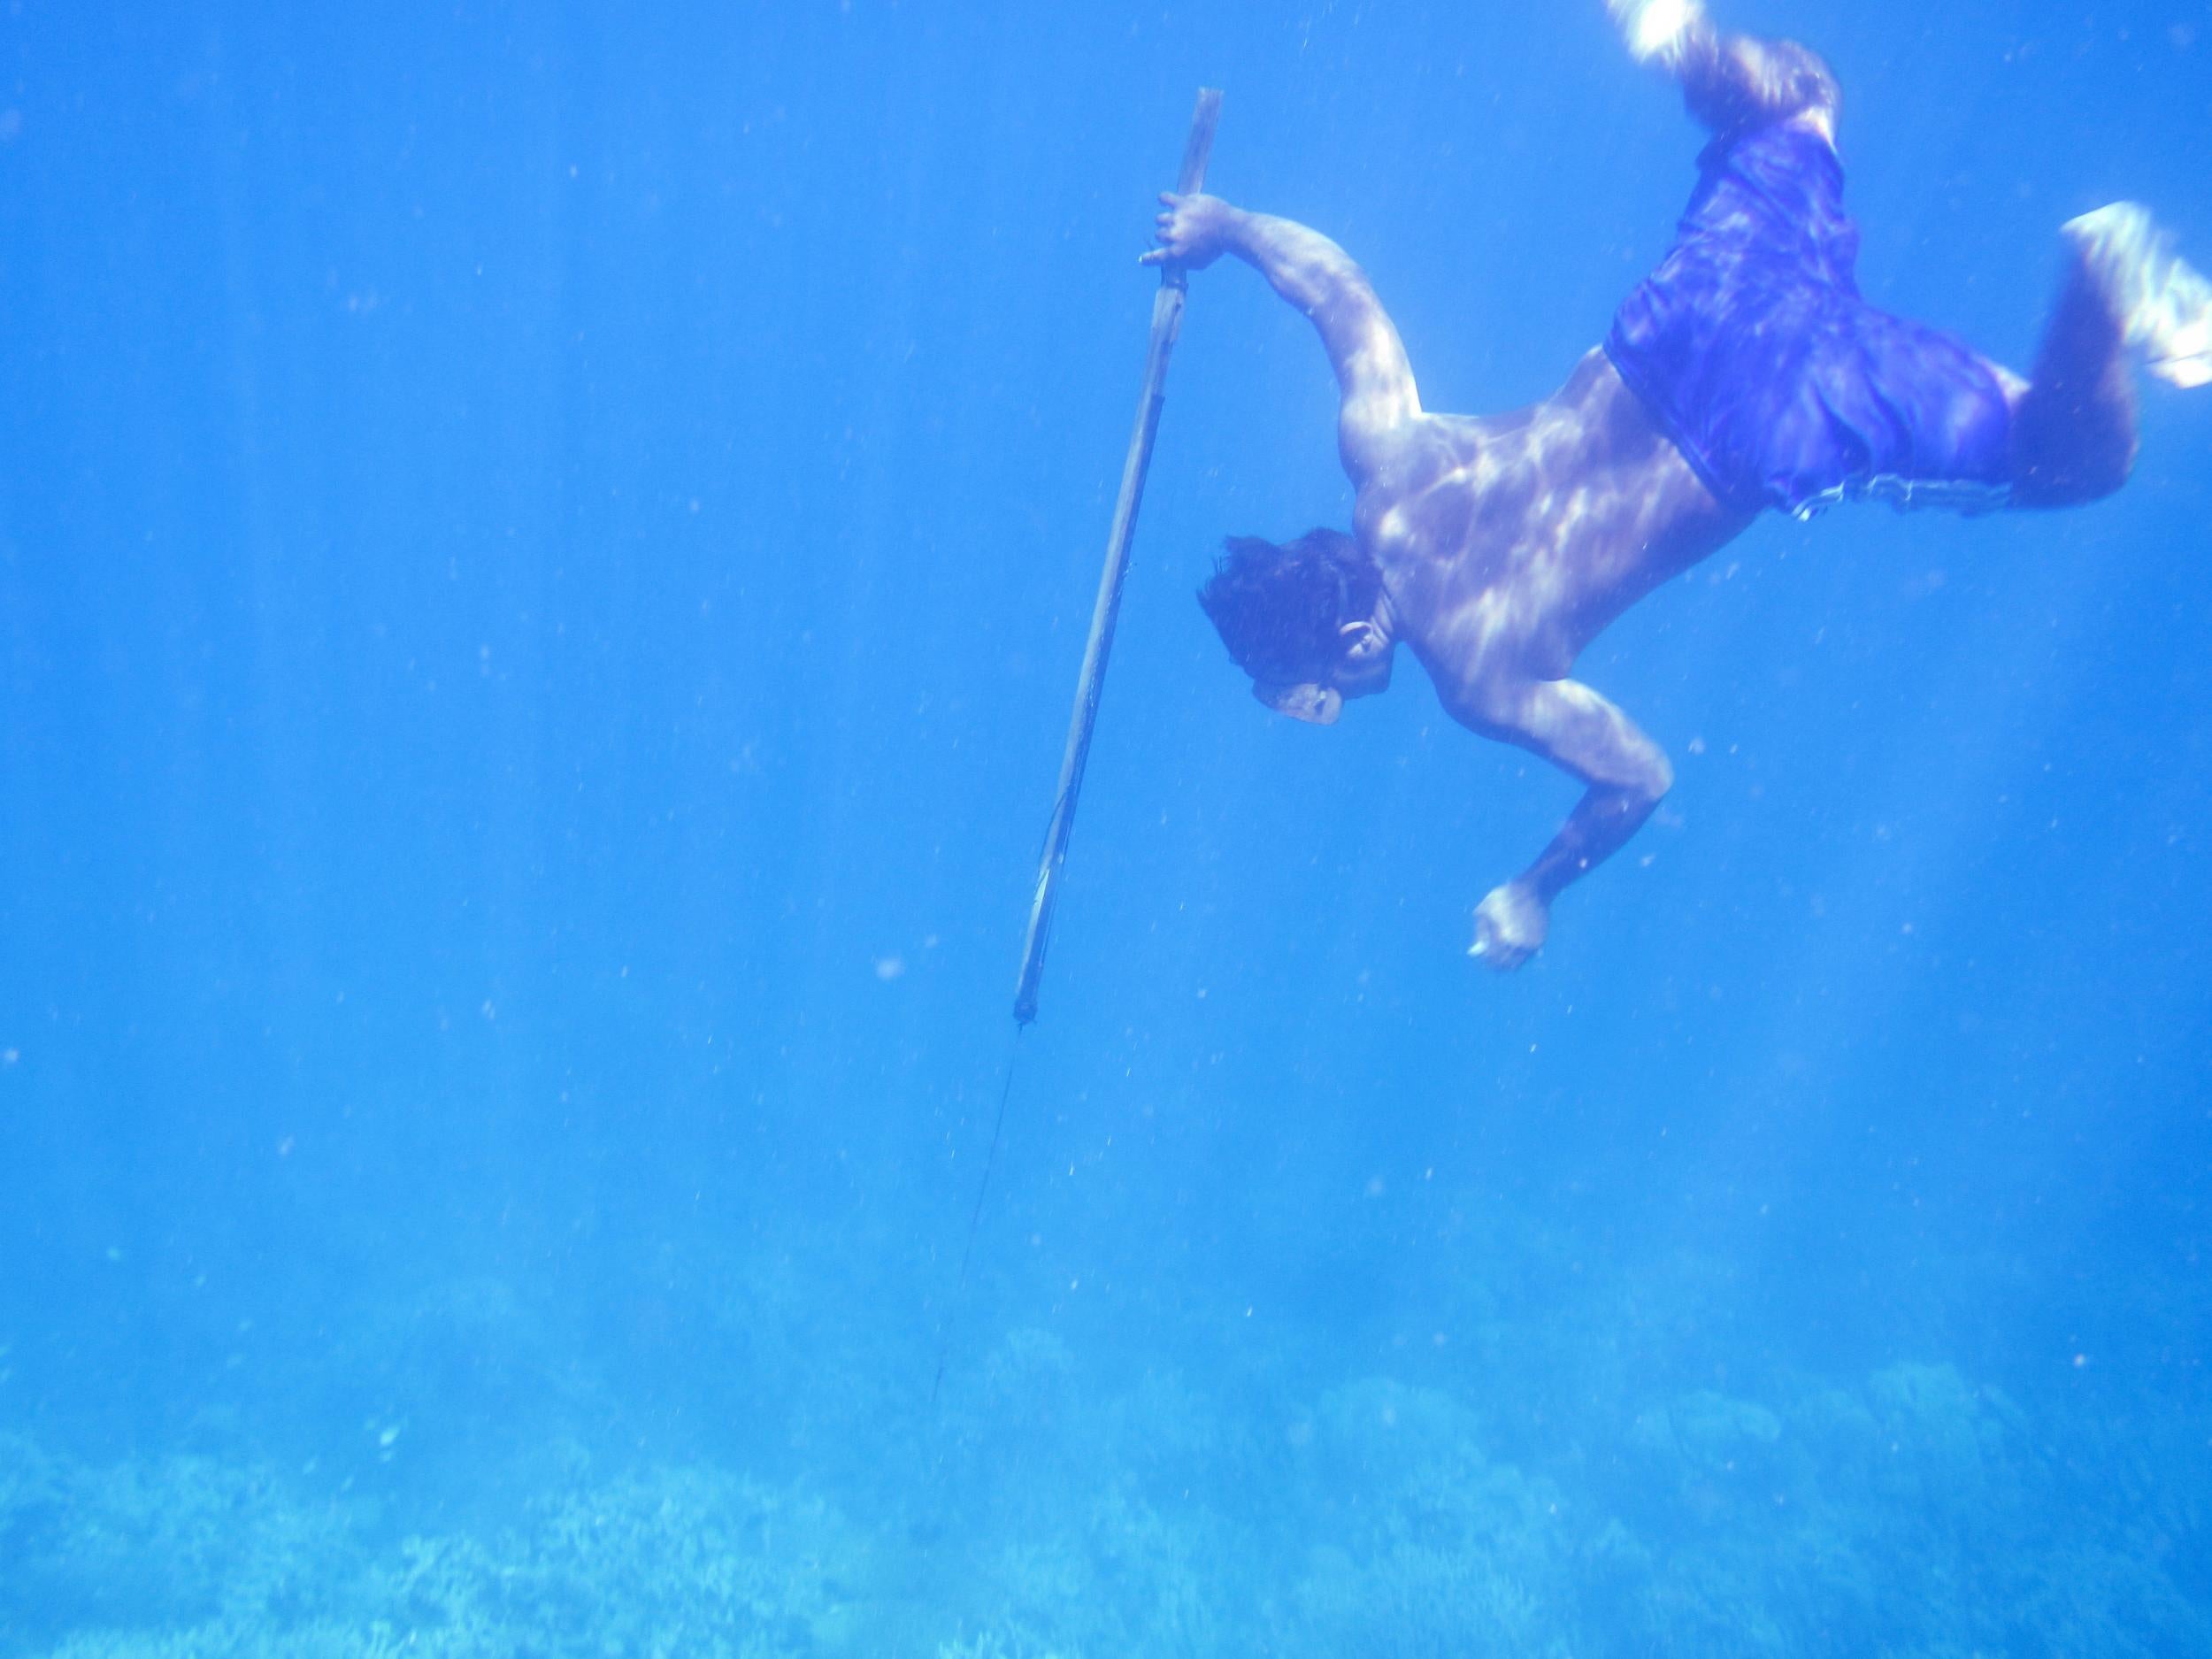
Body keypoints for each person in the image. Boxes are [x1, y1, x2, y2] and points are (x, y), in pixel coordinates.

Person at [1141, 0, 2211, 970]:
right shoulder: (1388, 457)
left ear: (1350, 642)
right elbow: (1340, 293)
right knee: (1798, 101)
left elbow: (1638, 775)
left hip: (1768, 427)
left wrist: (1534, 890)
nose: (1321, 709)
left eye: (1307, 691)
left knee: (2076, 461)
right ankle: (1683, 46)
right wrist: (1229, 228)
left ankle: (2098, 275)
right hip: (1680, 328)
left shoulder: (1478, 679)